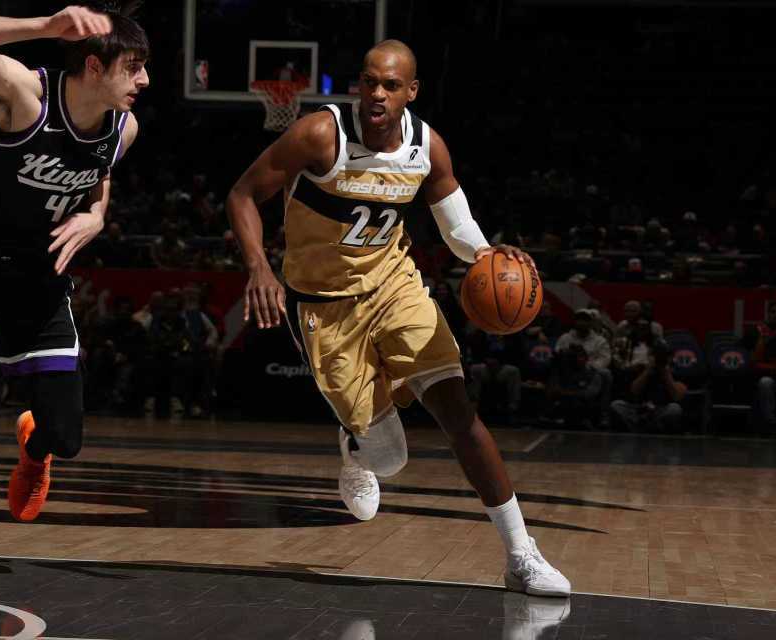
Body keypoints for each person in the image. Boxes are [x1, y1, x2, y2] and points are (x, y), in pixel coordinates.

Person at [226, 39, 569, 596]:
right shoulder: (319, 134)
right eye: (369, 82)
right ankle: (357, 445)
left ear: (411, 91)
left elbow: (457, 227)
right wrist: (258, 267)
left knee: (458, 411)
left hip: (394, 286)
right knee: (390, 459)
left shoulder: (427, 147)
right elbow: (242, 195)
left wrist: (488, 253)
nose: (377, 94)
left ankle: (521, 555)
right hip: (324, 305)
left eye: (390, 85)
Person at [0, 3, 148, 522]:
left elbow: (99, 171)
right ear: (94, 66)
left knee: (66, 438)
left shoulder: (124, 128)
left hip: (35, 270)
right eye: (134, 67)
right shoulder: (26, 97)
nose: (145, 80)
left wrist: (97, 214)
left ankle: (34, 447)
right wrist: (43, 28)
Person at [610, 339, 686, 432]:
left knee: (675, 409)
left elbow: (677, 396)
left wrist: (665, 373)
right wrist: (647, 371)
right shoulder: (641, 368)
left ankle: (643, 428)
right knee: (616, 405)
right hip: (638, 409)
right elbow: (634, 391)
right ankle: (646, 428)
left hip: (659, 410)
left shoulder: (674, 371)